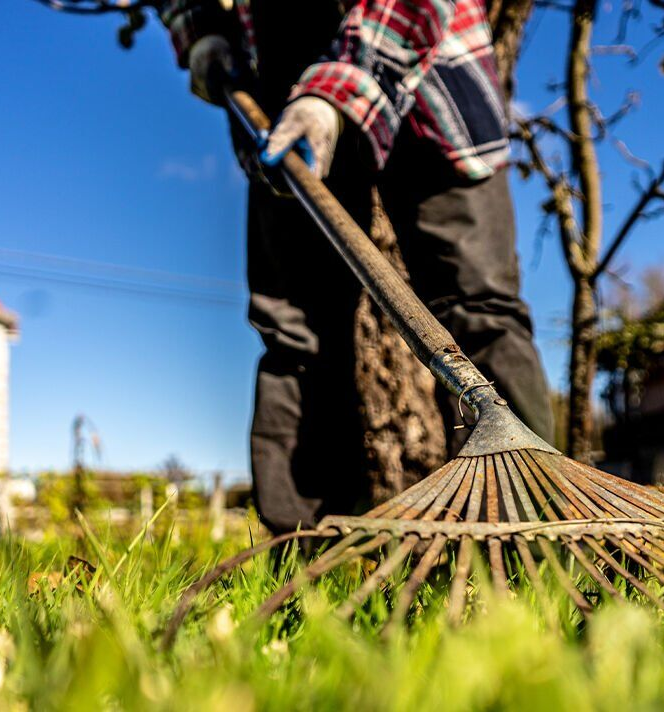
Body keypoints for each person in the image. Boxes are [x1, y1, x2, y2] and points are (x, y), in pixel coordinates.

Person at [161, 0, 554, 533]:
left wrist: (338, 91)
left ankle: (524, 532)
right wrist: (200, 25)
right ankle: (306, 561)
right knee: (295, 334)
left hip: (430, 70)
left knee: (479, 306)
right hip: (280, 87)